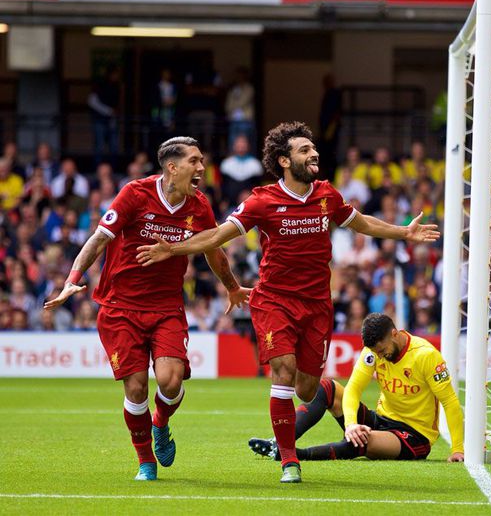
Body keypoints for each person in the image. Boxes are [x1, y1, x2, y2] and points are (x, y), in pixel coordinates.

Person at [135, 121, 440, 483]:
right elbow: (218, 235)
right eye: (304, 150)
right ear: (283, 160)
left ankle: (288, 443)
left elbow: (362, 224)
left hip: (316, 306)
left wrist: (403, 231)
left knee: (307, 388)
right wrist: (174, 248)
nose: (314, 155)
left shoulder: (327, 195)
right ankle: (289, 462)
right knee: (282, 368)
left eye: (314, 149)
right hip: (274, 301)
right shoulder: (261, 201)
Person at [44, 137, 251, 481]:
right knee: (137, 387)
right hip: (120, 307)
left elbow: (213, 250)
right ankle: (145, 461)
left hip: (166, 306)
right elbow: (98, 238)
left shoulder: (199, 206)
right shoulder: (134, 194)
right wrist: (72, 279)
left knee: (170, 382)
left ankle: (161, 423)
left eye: (202, 161)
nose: (202, 168)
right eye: (195, 161)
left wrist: (231, 287)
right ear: (172, 167)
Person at [248, 313, 464, 463]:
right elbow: (352, 389)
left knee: (362, 441)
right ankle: (281, 442)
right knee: (327, 387)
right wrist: (351, 424)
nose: (379, 357)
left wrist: (457, 450)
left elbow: (450, 401)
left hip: (413, 435)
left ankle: (294, 455)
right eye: (375, 352)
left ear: (394, 334)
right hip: (381, 419)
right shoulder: (372, 352)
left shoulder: (426, 355)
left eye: (382, 350)